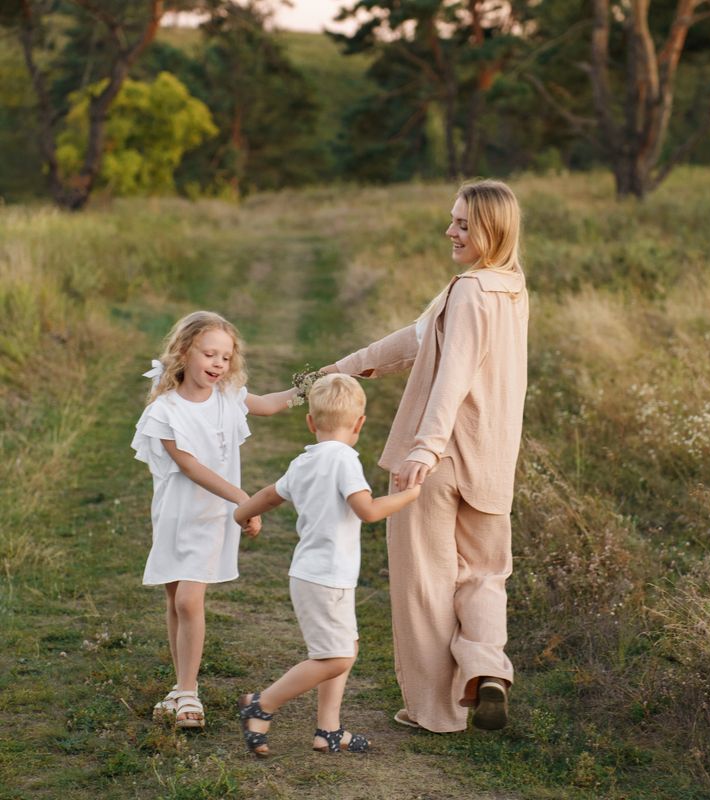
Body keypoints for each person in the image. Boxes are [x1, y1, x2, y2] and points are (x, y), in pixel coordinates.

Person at [322, 179, 528, 733]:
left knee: (424, 583)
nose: (450, 231)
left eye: (463, 224)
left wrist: (425, 446)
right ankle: (487, 672)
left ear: (492, 229)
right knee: (484, 575)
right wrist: (344, 368)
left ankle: (434, 712)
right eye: (453, 220)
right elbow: (417, 340)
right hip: (492, 459)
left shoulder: (467, 290)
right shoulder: (510, 287)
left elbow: (453, 373)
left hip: (438, 460)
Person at [234, 373, 420, 756]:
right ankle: (262, 704)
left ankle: (329, 730)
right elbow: (367, 511)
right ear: (359, 424)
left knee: (345, 646)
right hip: (326, 577)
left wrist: (242, 513)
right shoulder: (345, 461)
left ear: (310, 422)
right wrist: (410, 495)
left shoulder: (304, 461)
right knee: (335, 657)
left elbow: (271, 494)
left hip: (315, 574)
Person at [132, 310, 297, 729]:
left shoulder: (228, 395)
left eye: (226, 357)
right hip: (174, 514)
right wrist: (243, 500)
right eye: (210, 354)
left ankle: (189, 696)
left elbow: (270, 405)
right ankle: (180, 685)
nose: (218, 365)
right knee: (174, 598)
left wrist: (317, 384)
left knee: (189, 599)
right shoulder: (164, 410)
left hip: (213, 515)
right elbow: (190, 467)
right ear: (185, 352)